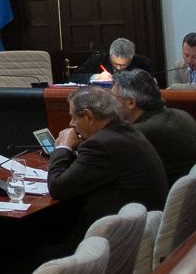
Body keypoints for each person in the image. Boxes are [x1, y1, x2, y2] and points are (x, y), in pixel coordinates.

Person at [47, 87, 167, 230]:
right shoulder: (126, 131)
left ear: (89, 116)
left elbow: (57, 188)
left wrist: (63, 147)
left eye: (74, 117)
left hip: (117, 234)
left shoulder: (100, 145)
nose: (71, 123)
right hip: (144, 226)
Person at [111, 69, 196, 186]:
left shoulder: (137, 134)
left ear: (130, 102)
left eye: (113, 97)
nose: (110, 103)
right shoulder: (183, 115)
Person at [75, 37, 153, 85]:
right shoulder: (97, 60)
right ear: (110, 55)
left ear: (132, 58)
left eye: (123, 65)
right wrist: (96, 77)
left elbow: (150, 84)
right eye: (114, 63)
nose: (118, 67)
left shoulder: (142, 62)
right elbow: (75, 77)